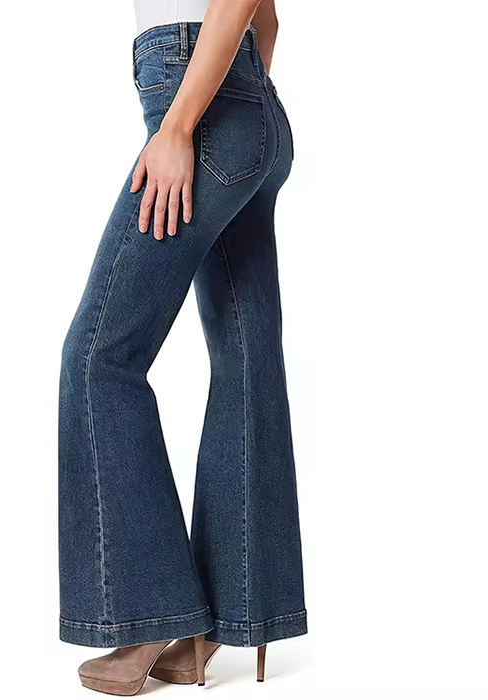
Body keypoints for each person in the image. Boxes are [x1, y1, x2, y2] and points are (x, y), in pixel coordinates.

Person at [58, 0, 306, 693]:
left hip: (201, 104)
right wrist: (240, 96)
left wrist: (180, 125)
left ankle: (148, 613)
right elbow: (267, 21)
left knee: (98, 358)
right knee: (246, 359)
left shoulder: (191, 116)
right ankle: (239, 612)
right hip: (243, 103)